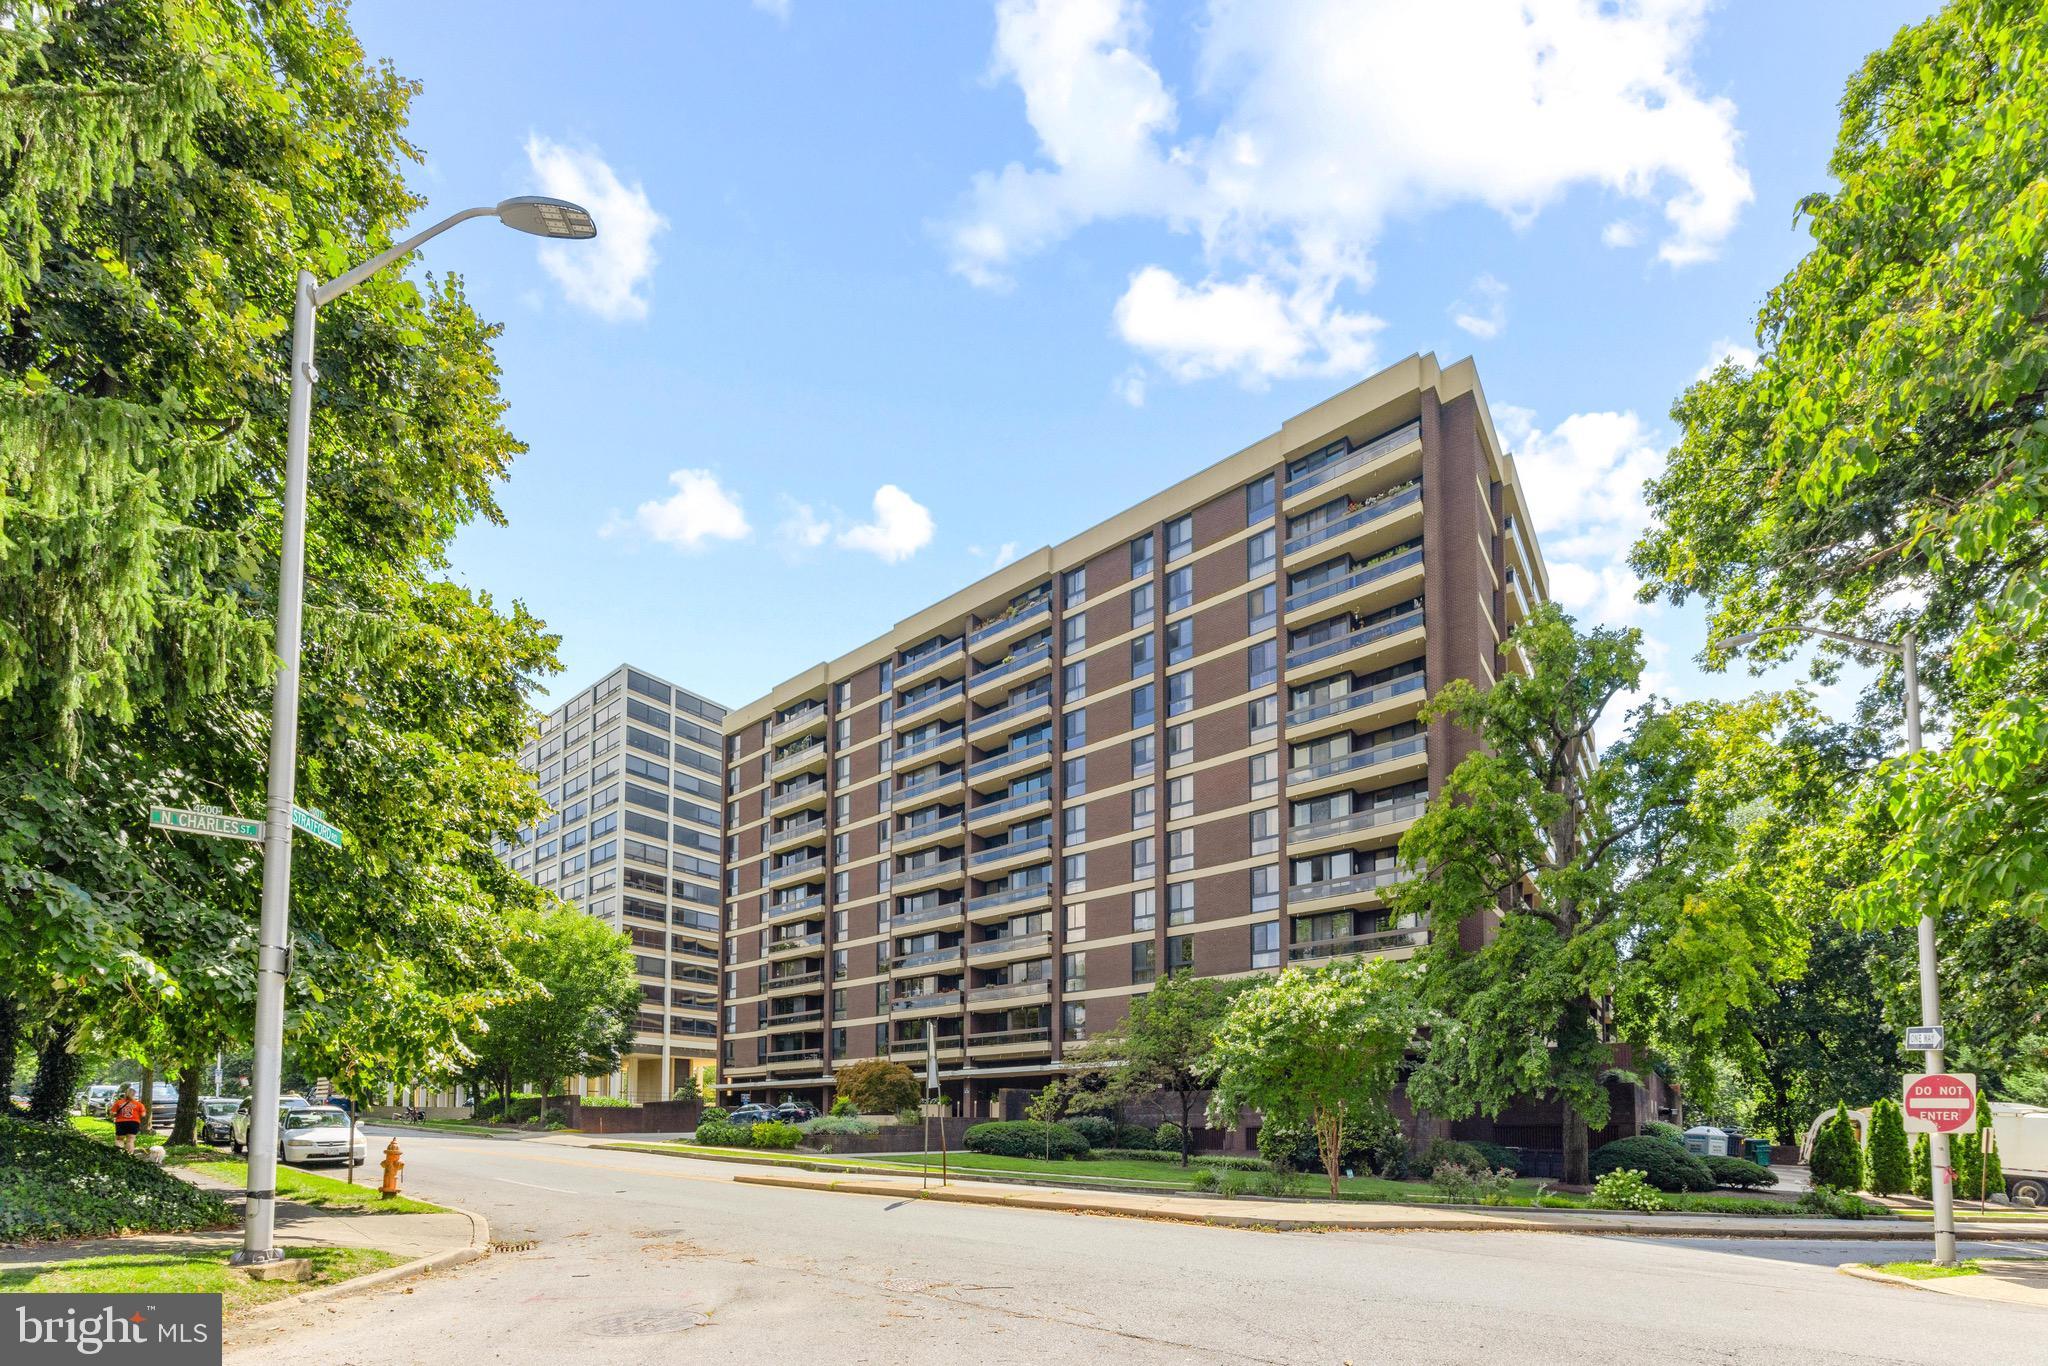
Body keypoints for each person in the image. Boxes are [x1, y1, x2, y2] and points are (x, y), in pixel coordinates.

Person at [109, 1085, 146, 1155]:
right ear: (134, 1094)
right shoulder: (139, 1104)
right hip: (134, 1123)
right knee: (130, 1141)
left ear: (125, 1094)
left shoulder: (118, 1102)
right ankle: (129, 1156)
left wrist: (114, 1114)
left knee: (119, 1139)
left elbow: (112, 1112)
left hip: (121, 1123)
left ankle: (119, 1155)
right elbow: (143, 1115)